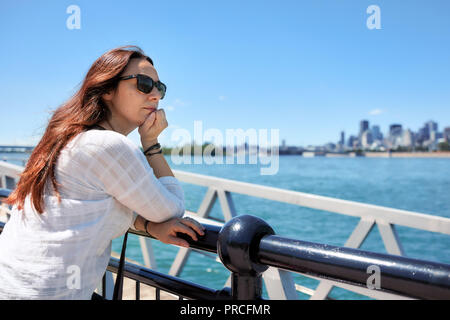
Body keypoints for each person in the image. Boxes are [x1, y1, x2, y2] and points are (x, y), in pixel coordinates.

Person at [0, 45, 204, 299]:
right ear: (107, 89)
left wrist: (148, 225)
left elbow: (89, 205)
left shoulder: (69, 139)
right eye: (144, 84)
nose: (155, 96)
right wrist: (151, 145)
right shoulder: (108, 145)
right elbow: (173, 209)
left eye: (160, 88)